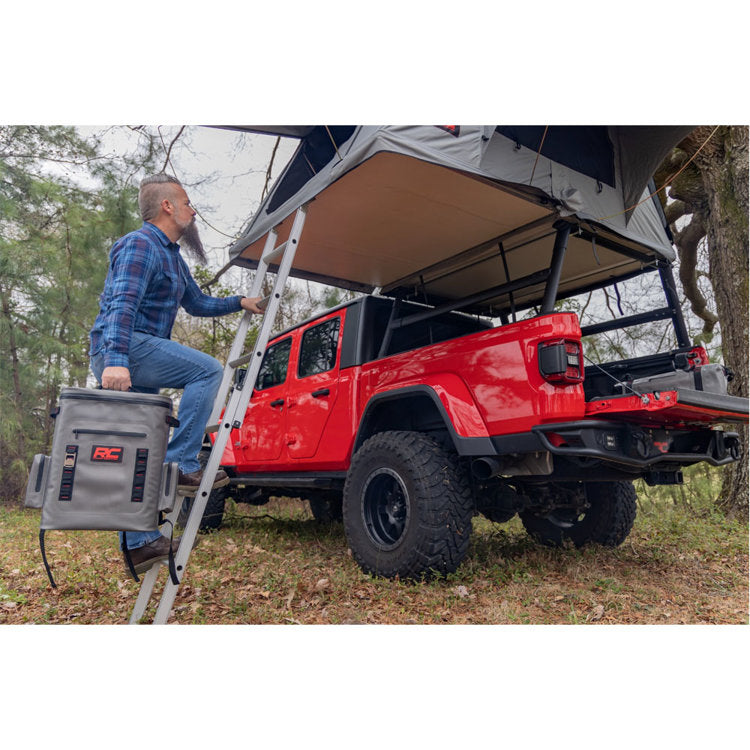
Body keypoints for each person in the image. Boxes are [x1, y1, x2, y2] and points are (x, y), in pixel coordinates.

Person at [89, 173, 263, 575]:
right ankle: (183, 463)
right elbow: (120, 305)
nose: (192, 209)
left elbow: (198, 303)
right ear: (167, 206)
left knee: (141, 452)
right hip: (127, 347)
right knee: (207, 370)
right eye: (186, 202)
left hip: (137, 352)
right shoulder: (139, 244)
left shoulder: (171, 256)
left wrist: (241, 301)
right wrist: (116, 358)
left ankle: (139, 544)